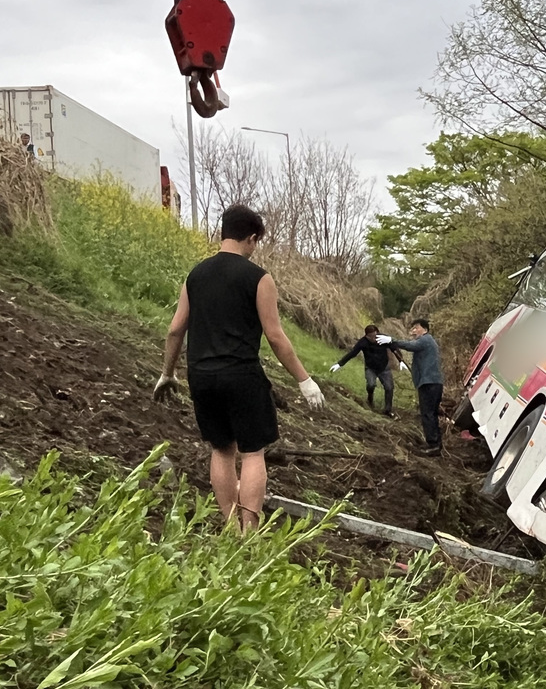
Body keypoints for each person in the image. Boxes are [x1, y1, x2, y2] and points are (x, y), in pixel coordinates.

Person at [153, 204, 325, 530]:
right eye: (256, 242)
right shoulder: (259, 278)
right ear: (251, 237)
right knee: (252, 453)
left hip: (201, 375)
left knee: (221, 451)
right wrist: (304, 380)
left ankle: (230, 524)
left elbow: (176, 329)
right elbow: (275, 336)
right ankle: (249, 531)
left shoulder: (195, 276)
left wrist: (168, 373)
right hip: (241, 376)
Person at [379, 319, 443, 456]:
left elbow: (409, 345)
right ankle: (436, 444)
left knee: (427, 414)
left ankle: (433, 446)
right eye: (412, 328)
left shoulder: (425, 340)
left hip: (429, 383)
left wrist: (391, 340)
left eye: (416, 328)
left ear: (425, 330)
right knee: (432, 414)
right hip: (433, 382)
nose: (413, 331)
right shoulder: (428, 342)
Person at [330, 323, 407, 416]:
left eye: (375, 335)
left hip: (384, 367)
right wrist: (339, 364)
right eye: (371, 336)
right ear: (366, 336)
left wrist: (401, 361)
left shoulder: (383, 339)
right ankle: (370, 398)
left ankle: (388, 410)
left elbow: (394, 349)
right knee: (371, 384)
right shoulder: (363, 342)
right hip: (370, 368)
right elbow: (352, 353)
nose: (374, 338)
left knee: (389, 387)